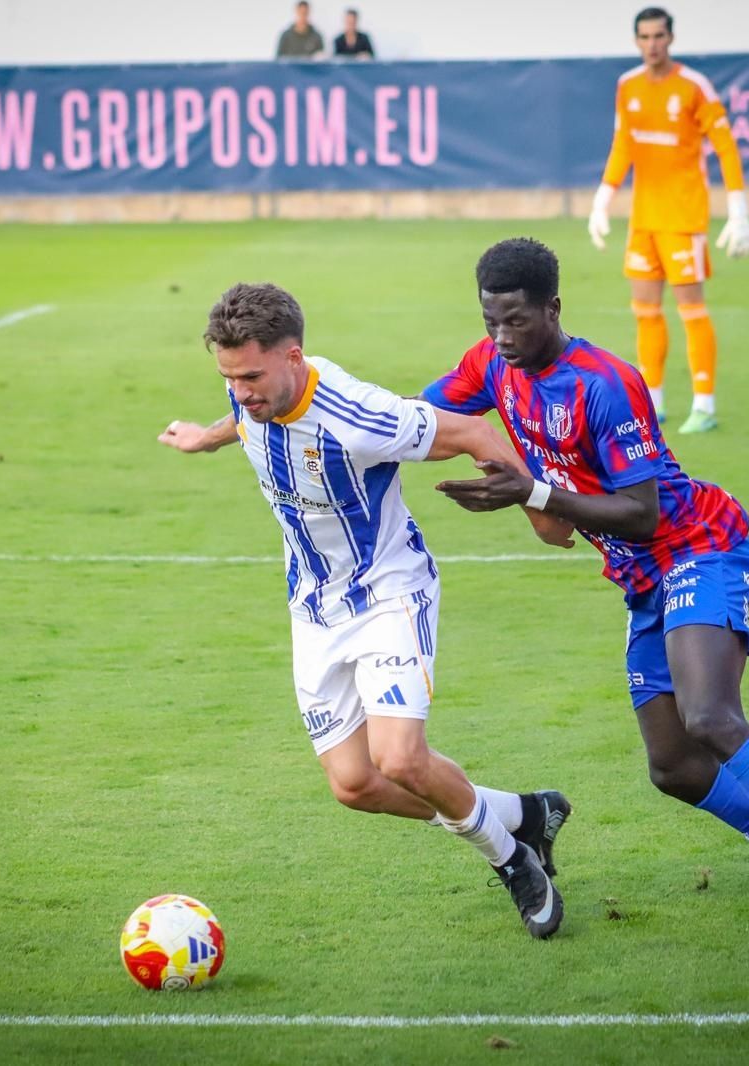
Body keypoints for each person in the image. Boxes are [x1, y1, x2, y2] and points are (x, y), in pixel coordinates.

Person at [420, 239, 749, 960]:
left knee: (710, 717)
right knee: (674, 767)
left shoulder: (606, 383)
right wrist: (300, 411)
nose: (503, 338)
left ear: (553, 308)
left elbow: (641, 513)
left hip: (697, 546)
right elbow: (412, 416)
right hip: (641, 579)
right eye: (491, 322)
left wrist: (533, 493)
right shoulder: (491, 365)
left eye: (517, 321)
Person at [159, 282, 573, 939]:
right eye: (228, 378)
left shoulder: (361, 416)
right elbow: (241, 417)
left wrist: (543, 514)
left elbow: (474, 431)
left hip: (389, 592)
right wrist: (205, 439)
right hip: (313, 605)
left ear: (294, 357)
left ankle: (513, 860)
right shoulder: (252, 391)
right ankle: (524, 815)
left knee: (400, 759)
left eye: (250, 378)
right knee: (354, 785)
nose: (240, 391)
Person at [587, 6, 749, 435]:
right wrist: (602, 200)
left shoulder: (693, 86)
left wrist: (738, 212)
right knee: (645, 312)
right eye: (645, 37)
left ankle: (704, 405)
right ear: (636, 41)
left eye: (659, 36)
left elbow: (726, 148)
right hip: (643, 220)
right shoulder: (627, 85)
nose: (652, 45)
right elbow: (623, 144)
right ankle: (654, 401)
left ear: (671, 38)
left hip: (683, 218)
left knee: (692, 310)